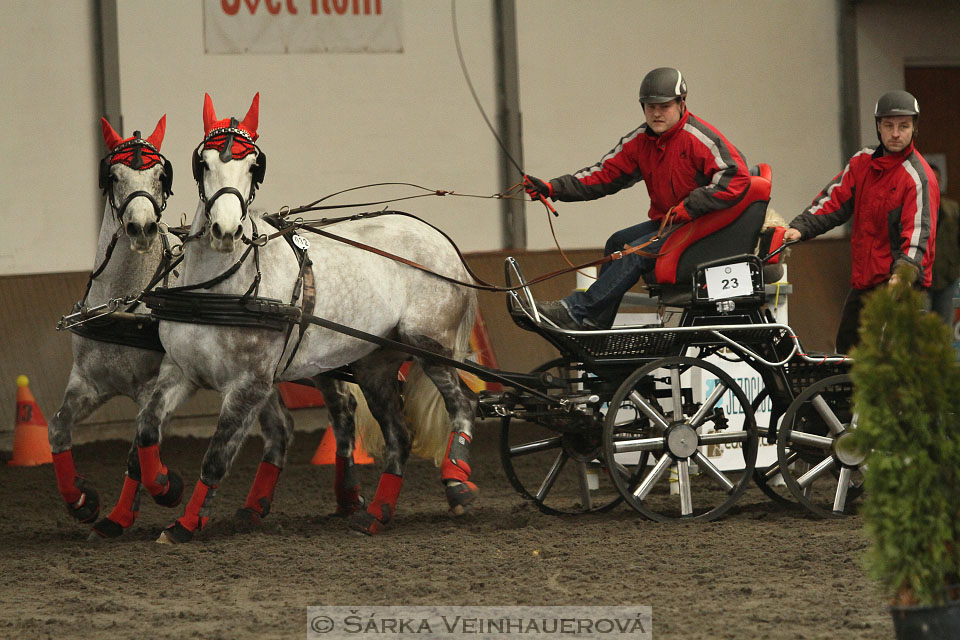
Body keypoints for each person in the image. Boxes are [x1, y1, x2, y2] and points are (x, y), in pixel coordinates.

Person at [524, 67, 751, 329]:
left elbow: (737, 176)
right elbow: (603, 174)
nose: (656, 113)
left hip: (703, 227)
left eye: (664, 106)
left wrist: (690, 206)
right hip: (672, 224)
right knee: (618, 242)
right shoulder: (640, 141)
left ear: (681, 103)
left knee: (634, 252)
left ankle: (576, 312)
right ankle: (594, 326)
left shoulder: (699, 139)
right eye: (650, 106)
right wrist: (553, 188)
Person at [783, 90, 939, 353]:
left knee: (892, 368)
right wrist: (799, 228)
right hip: (864, 285)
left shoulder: (918, 178)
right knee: (846, 355)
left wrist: (901, 276)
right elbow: (833, 201)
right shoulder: (862, 162)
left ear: (914, 128)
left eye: (904, 126)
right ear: (878, 127)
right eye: (888, 126)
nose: (896, 134)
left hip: (901, 290)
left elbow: (918, 238)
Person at [928, 163, 960, 326]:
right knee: (922, 328)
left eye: (937, 179)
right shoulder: (914, 207)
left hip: (948, 275)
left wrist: (956, 267)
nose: (934, 182)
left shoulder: (952, 209)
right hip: (921, 277)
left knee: (944, 327)